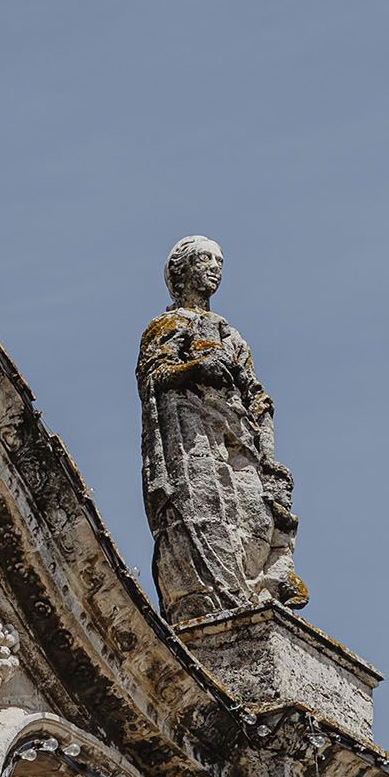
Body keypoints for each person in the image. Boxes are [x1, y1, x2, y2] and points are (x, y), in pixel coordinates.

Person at [137, 236, 305, 621]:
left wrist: (269, 457)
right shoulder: (168, 324)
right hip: (193, 436)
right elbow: (153, 376)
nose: (215, 268)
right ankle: (216, 603)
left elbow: (257, 397)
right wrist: (195, 369)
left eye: (220, 262)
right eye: (205, 260)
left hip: (239, 438)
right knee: (202, 514)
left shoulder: (231, 336)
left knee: (257, 514)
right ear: (181, 271)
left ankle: (262, 586)